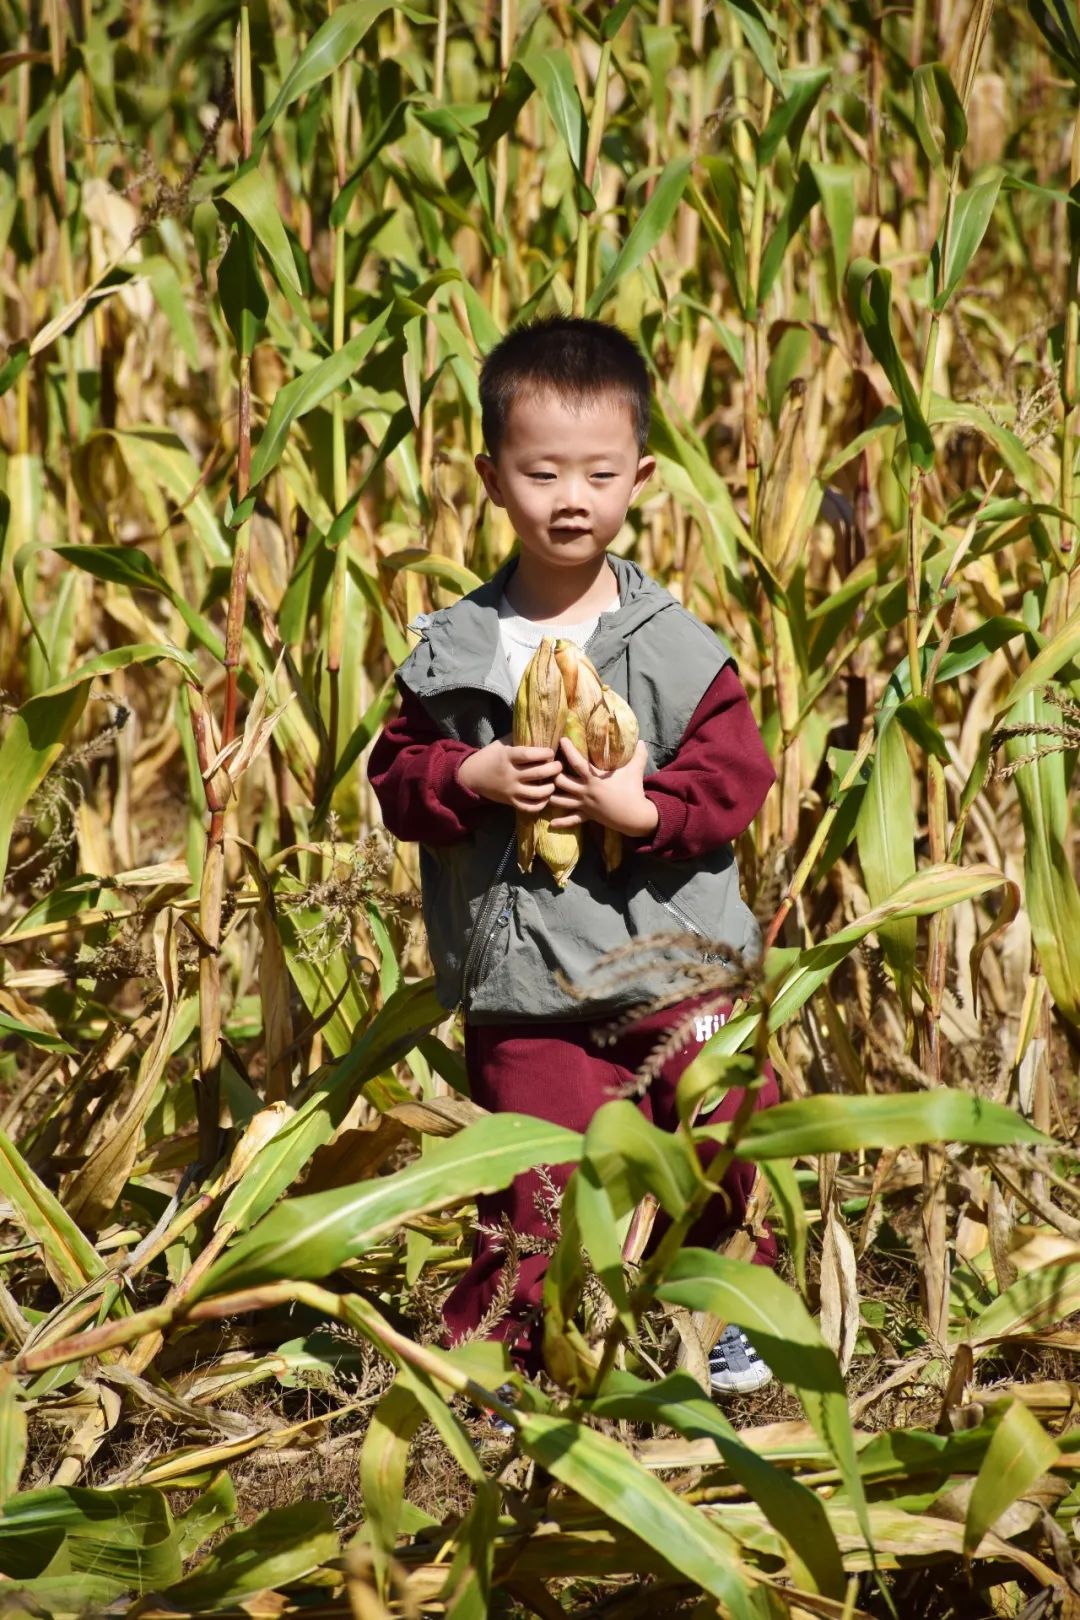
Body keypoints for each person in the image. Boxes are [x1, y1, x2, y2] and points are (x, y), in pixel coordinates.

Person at [368, 316, 778, 1398]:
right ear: (491, 479)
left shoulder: (677, 648)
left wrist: (643, 809)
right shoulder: (454, 651)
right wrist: (470, 775)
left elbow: (737, 780)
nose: (570, 499)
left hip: (675, 968)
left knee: (725, 1125)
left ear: (640, 478)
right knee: (528, 1179)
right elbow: (396, 779)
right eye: (541, 472)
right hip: (528, 987)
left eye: (599, 474)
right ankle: (501, 1356)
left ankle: (732, 1306)